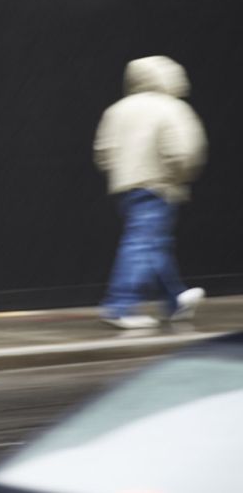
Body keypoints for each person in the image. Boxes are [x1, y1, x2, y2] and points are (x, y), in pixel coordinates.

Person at [93, 55, 207, 329]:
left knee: (152, 243)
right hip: (158, 185)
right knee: (143, 243)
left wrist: (122, 172)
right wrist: (177, 178)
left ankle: (175, 299)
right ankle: (119, 305)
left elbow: (103, 152)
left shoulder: (117, 109)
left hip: (126, 188)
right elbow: (184, 152)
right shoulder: (170, 107)